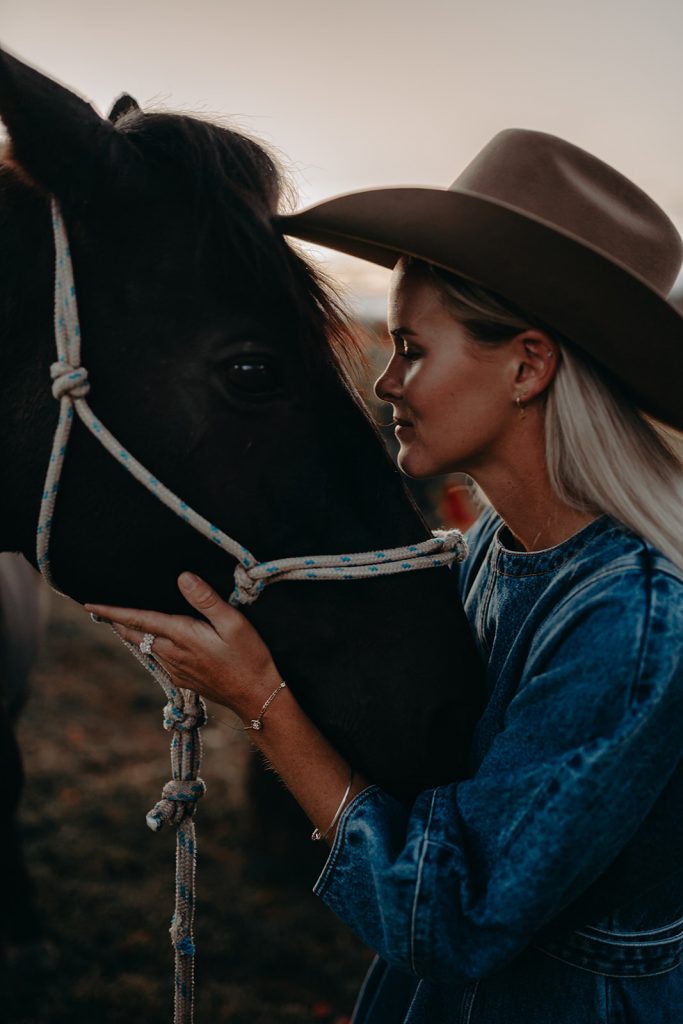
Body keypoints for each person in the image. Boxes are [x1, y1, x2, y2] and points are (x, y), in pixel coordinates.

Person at [86, 129, 683, 1022]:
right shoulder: (493, 550)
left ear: (527, 365)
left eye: (411, 348)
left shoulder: (632, 619)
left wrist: (261, 699)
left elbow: (448, 919)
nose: (385, 385)